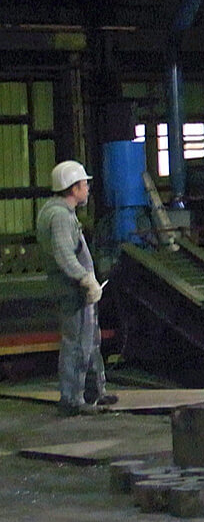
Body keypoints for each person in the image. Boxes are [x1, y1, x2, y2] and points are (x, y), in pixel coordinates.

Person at [36, 160, 118, 416]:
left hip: (79, 291)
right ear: (73, 188)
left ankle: (93, 393)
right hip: (73, 292)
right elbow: (64, 255)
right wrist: (85, 279)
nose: (87, 189)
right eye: (84, 184)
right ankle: (72, 400)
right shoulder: (59, 216)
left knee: (90, 342)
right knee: (76, 345)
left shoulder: (62, 211)